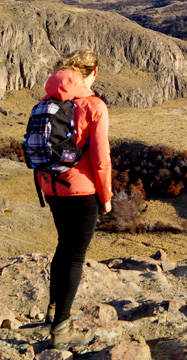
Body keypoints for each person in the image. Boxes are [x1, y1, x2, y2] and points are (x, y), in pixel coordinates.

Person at [36, 49, 113, 350]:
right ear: (91, 72)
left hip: (52, 188)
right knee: (75, 255)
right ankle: (61, 329)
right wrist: (105, 198)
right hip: (82, 191)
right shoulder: (94, 106)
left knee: (63, 247)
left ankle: (54, 309)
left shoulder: (45, 102)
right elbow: (101, 159)